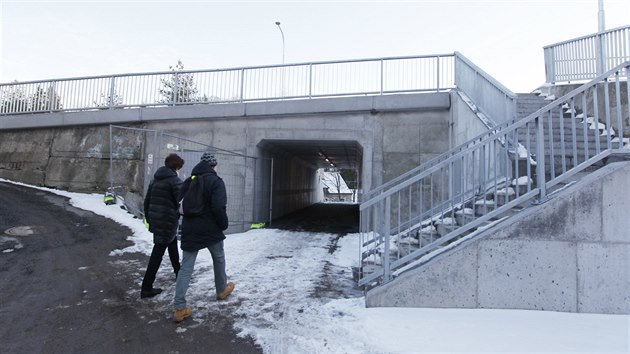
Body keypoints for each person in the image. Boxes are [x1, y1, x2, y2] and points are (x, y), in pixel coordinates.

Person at [173, 152, 234, 322]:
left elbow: (179, 203)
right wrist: (223, 225)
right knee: (219, 258)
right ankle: (221, 290)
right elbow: (218, 207)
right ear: (213, 165)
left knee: (185, 268)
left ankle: (179, 308)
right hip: (210, 229)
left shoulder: (189, 181)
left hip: (190, 229)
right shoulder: (216, 181)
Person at [141, 153, 184, 299]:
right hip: (168, 221)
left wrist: (150, 219)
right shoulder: (174, 181)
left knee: (172, 245)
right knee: (157, 253)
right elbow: (181, 200)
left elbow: (147, 201)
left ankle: (179, 273)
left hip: (158, 220)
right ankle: (146, 287)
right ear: (176, 166)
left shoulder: (155, 179)